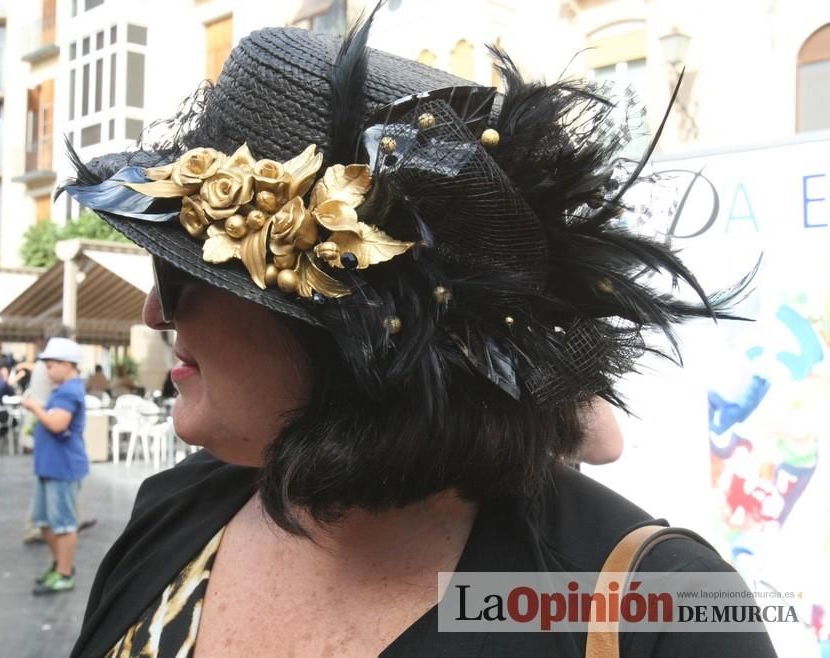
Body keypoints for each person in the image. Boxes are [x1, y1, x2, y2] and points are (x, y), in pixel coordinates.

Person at [62, 17, 775, 658]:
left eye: (185, 272)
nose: (156, 311)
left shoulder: (658, 608)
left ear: (346, 332)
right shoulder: (178, 507)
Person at [21, 337, 89, 595]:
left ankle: (64, 572)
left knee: (63, 524)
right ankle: (61, 565)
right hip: (50, 466)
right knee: (47, 522)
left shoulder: (70, 391)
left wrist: (35, 408)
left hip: (62, 467)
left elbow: (58, 423)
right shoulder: (64, 390)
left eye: (51, 365)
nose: (48, 370)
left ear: (67, 365)